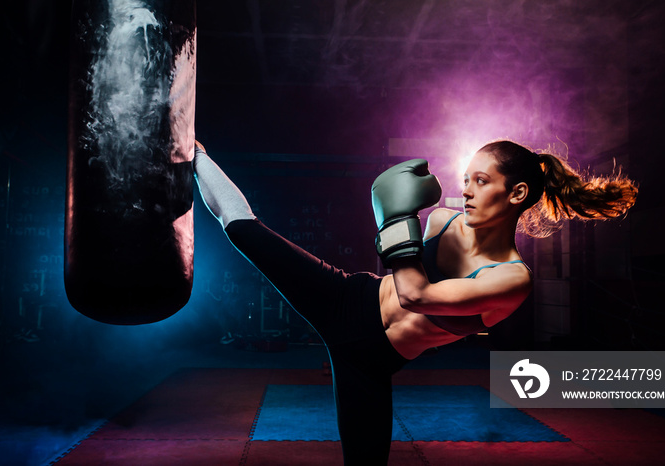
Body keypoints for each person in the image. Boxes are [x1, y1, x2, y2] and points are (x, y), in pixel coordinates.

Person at [192, 139, 637, 465]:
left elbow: (416, 295)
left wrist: (396, 216)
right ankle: (197, 155)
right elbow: (394, 275)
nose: (466, 191)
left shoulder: (512, 278)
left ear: (516, 194)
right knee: (245, 230)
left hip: (370, 362)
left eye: (481, 182)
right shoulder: (442, 220)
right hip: (347, 295)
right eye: (466, 180)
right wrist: (397, 224)